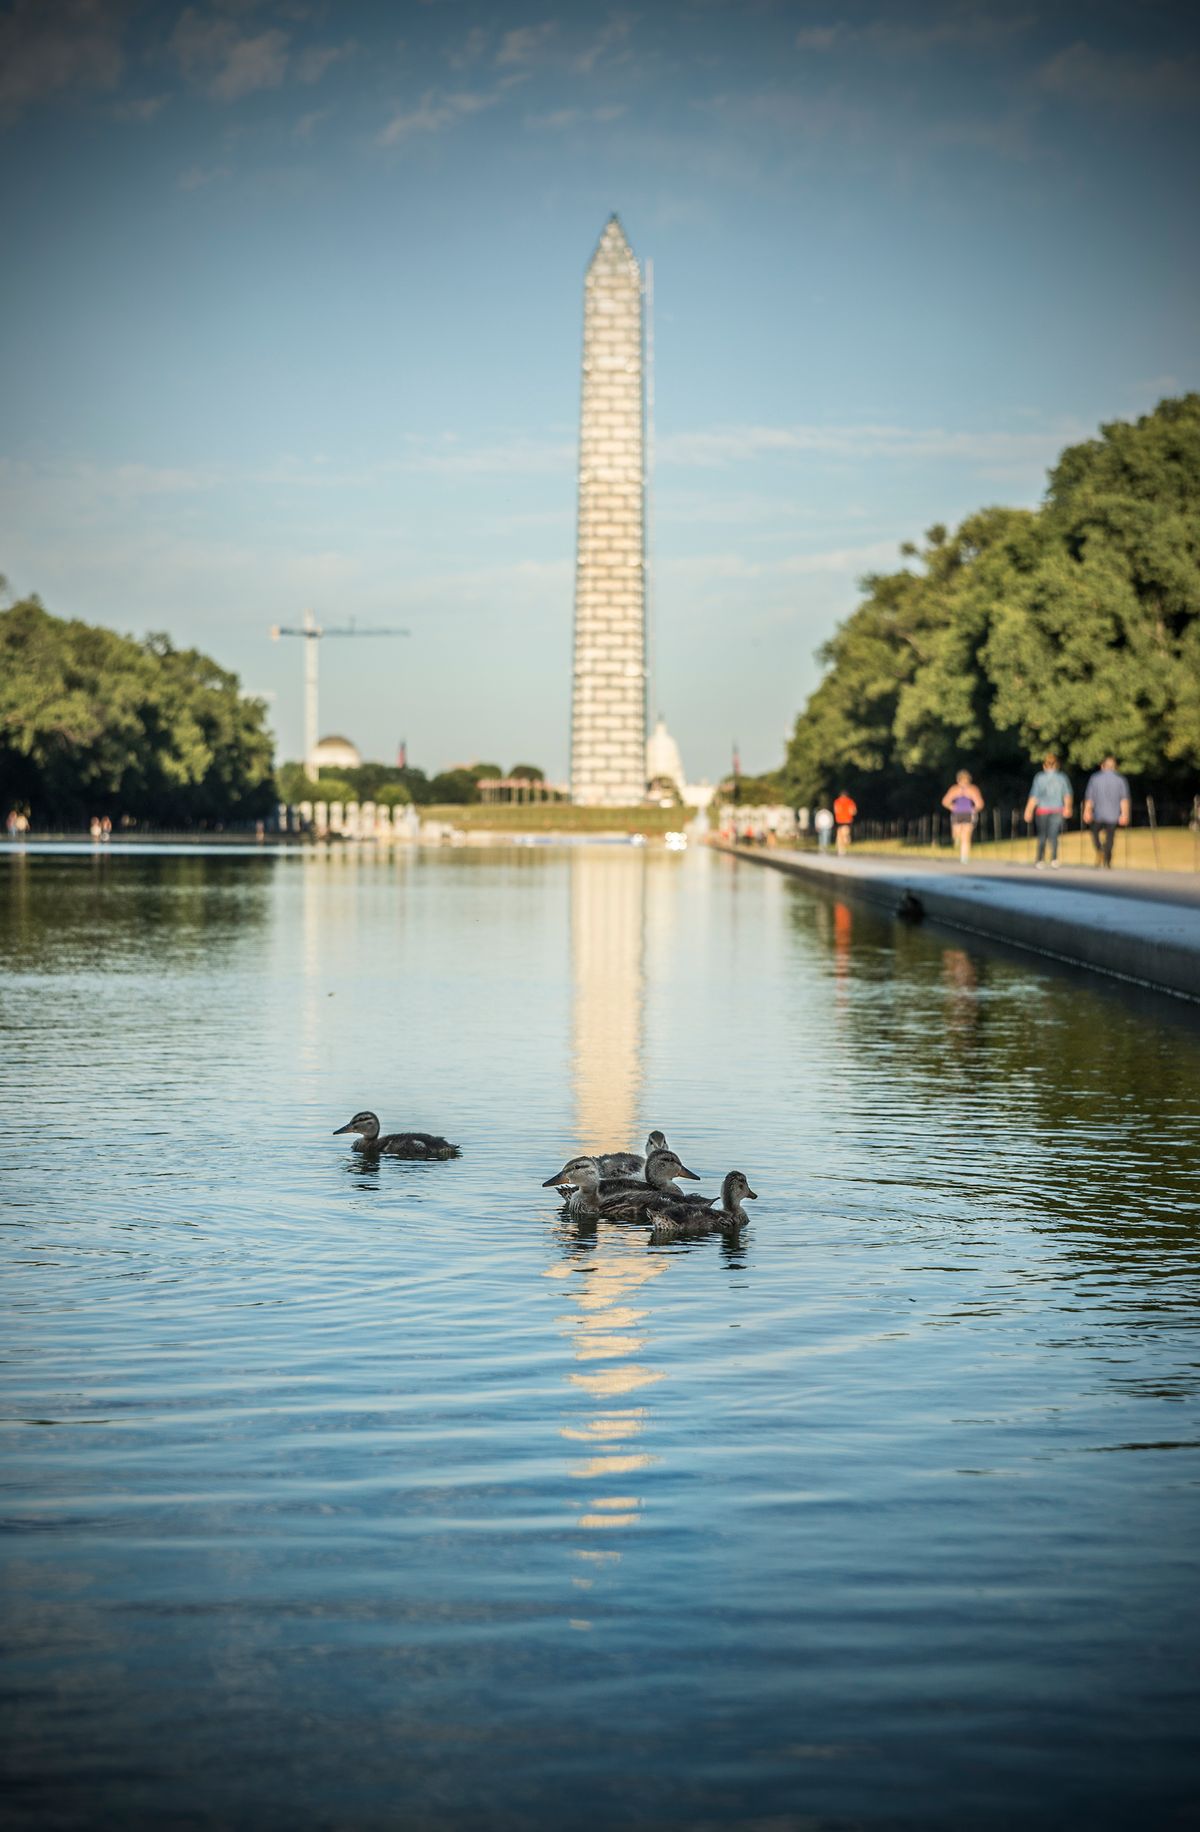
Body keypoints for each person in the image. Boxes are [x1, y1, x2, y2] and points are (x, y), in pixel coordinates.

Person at [1023, 752, 1073, 869]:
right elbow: (1067, 794)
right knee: (1054, 835)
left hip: (1042, 810)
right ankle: (1054, 859)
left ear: (1044, 765)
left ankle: (1040, 859)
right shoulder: (1062, 778)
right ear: (1057, 765)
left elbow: (1034, 796)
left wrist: (1028, 811)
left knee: (1042, 835)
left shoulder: (1039, 777)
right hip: (1057, 809)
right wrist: (1068, 807)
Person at [1082, 754, 1131, 868]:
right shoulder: (1120, 780)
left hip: (1098, 814)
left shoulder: (1095, 778)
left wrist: (1086, 811)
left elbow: (1089, 798)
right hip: (1113, 814)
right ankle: (1107, 859)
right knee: (1110, 837)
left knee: (1094, 833)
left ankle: (1100, 849)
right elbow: (1124, 799)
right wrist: (1124, 814)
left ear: (1102, 766)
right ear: (1115, 767)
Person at [941, 770, 984, 863]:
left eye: (966, 780)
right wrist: (951, 806)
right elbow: (945, 801)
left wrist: (974, 808)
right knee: (956, 833)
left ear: (969, 780)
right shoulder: (954, 789)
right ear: (958, 780)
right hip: (957, 814)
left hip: (969, 814)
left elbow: (980, 803)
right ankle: (956, 840)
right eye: (961, 780)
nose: (964, 783)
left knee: (966, 836)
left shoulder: (973, 789)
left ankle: (964, 857)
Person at [832, 791, 857, 855]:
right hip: (847, 820)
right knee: (845, 834)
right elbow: (853, 811)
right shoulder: (850, 801)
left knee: (840, 835)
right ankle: (844, 845)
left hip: (839, 820)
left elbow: (836, 810)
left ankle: (840, 848)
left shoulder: (837, 801)